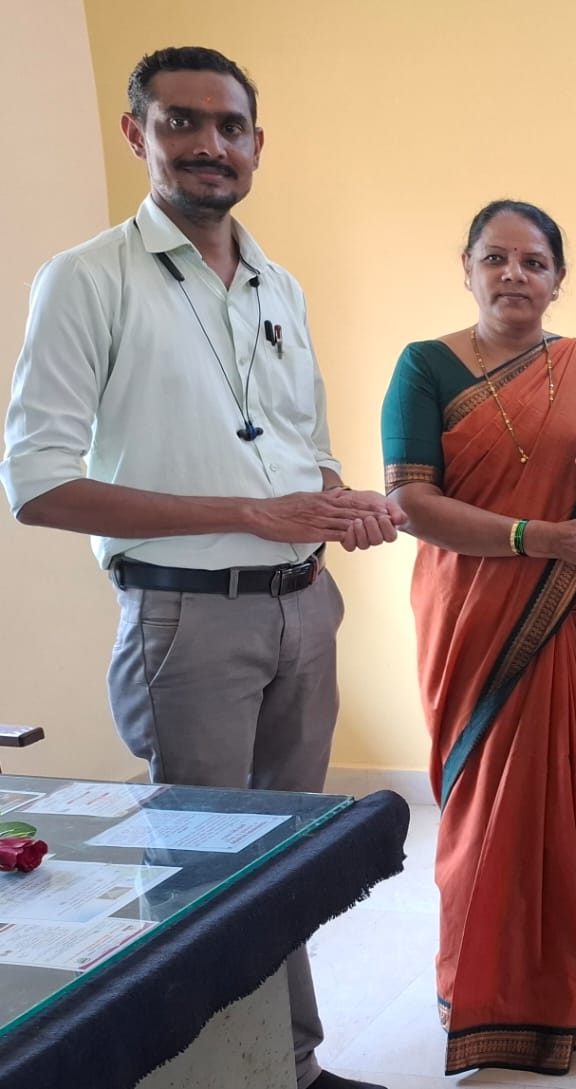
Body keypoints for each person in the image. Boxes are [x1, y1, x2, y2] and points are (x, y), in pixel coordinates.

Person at [0, 47, 404, 1089]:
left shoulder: (279, 285)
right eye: (180, 122)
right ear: (136, 134)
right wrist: (249, 513)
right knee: (199, 876)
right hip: (187, 620)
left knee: (287, 865)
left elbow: (302, 450)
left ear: (256, 145)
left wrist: (341, 504)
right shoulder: (87, 278)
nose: (208, 144)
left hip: (302, 607)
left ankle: (293, 1066)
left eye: (229, 126)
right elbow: (36, 486)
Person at [380, 200, 576, 1076]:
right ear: (466, 267)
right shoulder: (424, 366)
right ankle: (490, 989)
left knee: (574, 792)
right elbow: (410, 502)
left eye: (534, 262)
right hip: (476, 610)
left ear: (558, 279)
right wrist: (538, 537)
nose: (514, 275)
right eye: (495, 258)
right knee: (486, 802)